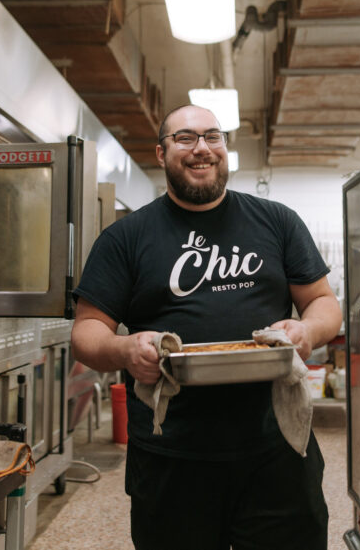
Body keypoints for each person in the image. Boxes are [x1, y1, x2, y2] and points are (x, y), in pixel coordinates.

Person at [71, 104, 342, 550]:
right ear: (161, 153)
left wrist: (307, 332)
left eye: (213, 137)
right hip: (172, 459)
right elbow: (87, 331)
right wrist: (125, 350)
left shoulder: (277, 222)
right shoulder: (126, 238)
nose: (202, 149)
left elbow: (322, 302)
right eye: (186, 138)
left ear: (225, 149)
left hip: (277, 449)